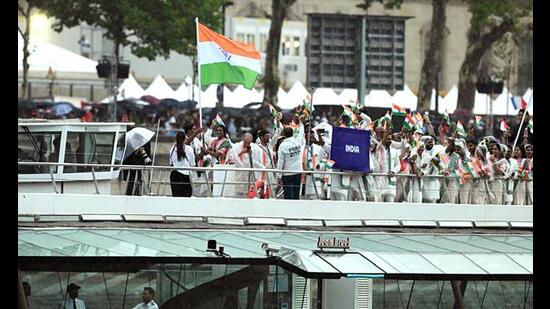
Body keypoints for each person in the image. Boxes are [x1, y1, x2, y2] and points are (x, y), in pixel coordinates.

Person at [229, 133, 265, 197]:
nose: (247, 144)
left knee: (251, 193)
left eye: (249, 142)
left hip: (251, 175)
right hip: (239, 175)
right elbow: (233, 159)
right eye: (245, 142)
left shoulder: (256, 148)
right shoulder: (236, 147)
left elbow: (258, 162)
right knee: (238, 194)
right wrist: (242, 152)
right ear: (243, 139)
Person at [277, 127, 303, 199]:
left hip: (287, 173)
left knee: (288, 196)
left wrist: (278, 175)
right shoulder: (298, 141)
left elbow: (280, 161)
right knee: (296, 195)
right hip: (298, 171)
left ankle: (289, 209)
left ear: (284, 134)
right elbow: (301, 133)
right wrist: (300, 124)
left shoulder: (283, 146)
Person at [169, 131, 196, 197]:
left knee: (176, 196)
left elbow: (170, 163)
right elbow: (192, 164)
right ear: (185, 139)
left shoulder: (172, 149)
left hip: (174, 174)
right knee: (186, 196)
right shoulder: (189, 149)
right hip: (185, 175)